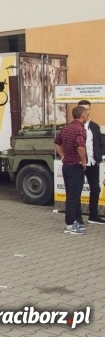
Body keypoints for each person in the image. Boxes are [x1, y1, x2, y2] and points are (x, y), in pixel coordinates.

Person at [54, 105, 89, 235]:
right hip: (75, 166)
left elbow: (57, 142)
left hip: (66, 165)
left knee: (71, 194)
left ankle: (76, 221)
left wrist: (63, 156)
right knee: (74, 196)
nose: (87, 116)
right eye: (86, 114)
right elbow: (80, 146)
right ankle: (69, 224)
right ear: (82, 116)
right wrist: (84, 161)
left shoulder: (66, 127)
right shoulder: (80, 129)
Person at [78, 100, 104, 225]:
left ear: (90, 110)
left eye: (87, 109)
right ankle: (77, 218)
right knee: (76, 190)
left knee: (95, 189)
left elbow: (100, 143)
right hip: (79, 164)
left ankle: (93, 216)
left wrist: (98, 156)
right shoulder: (74, 126)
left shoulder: (94, 126)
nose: (85, 112)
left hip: (93, 163)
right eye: (83, 109)